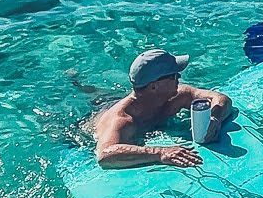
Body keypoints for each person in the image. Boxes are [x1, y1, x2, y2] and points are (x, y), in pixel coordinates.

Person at [92, 50, 232, 170]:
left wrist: (215, 118)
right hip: (90, 122)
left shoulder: (176, 96)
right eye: (174, 75)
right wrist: (159, 152)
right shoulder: (122, 119)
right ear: (154, 86)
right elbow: (105, 155)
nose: (179, 77)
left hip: (124, 104)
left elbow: (220, 98)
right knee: (93, 95)